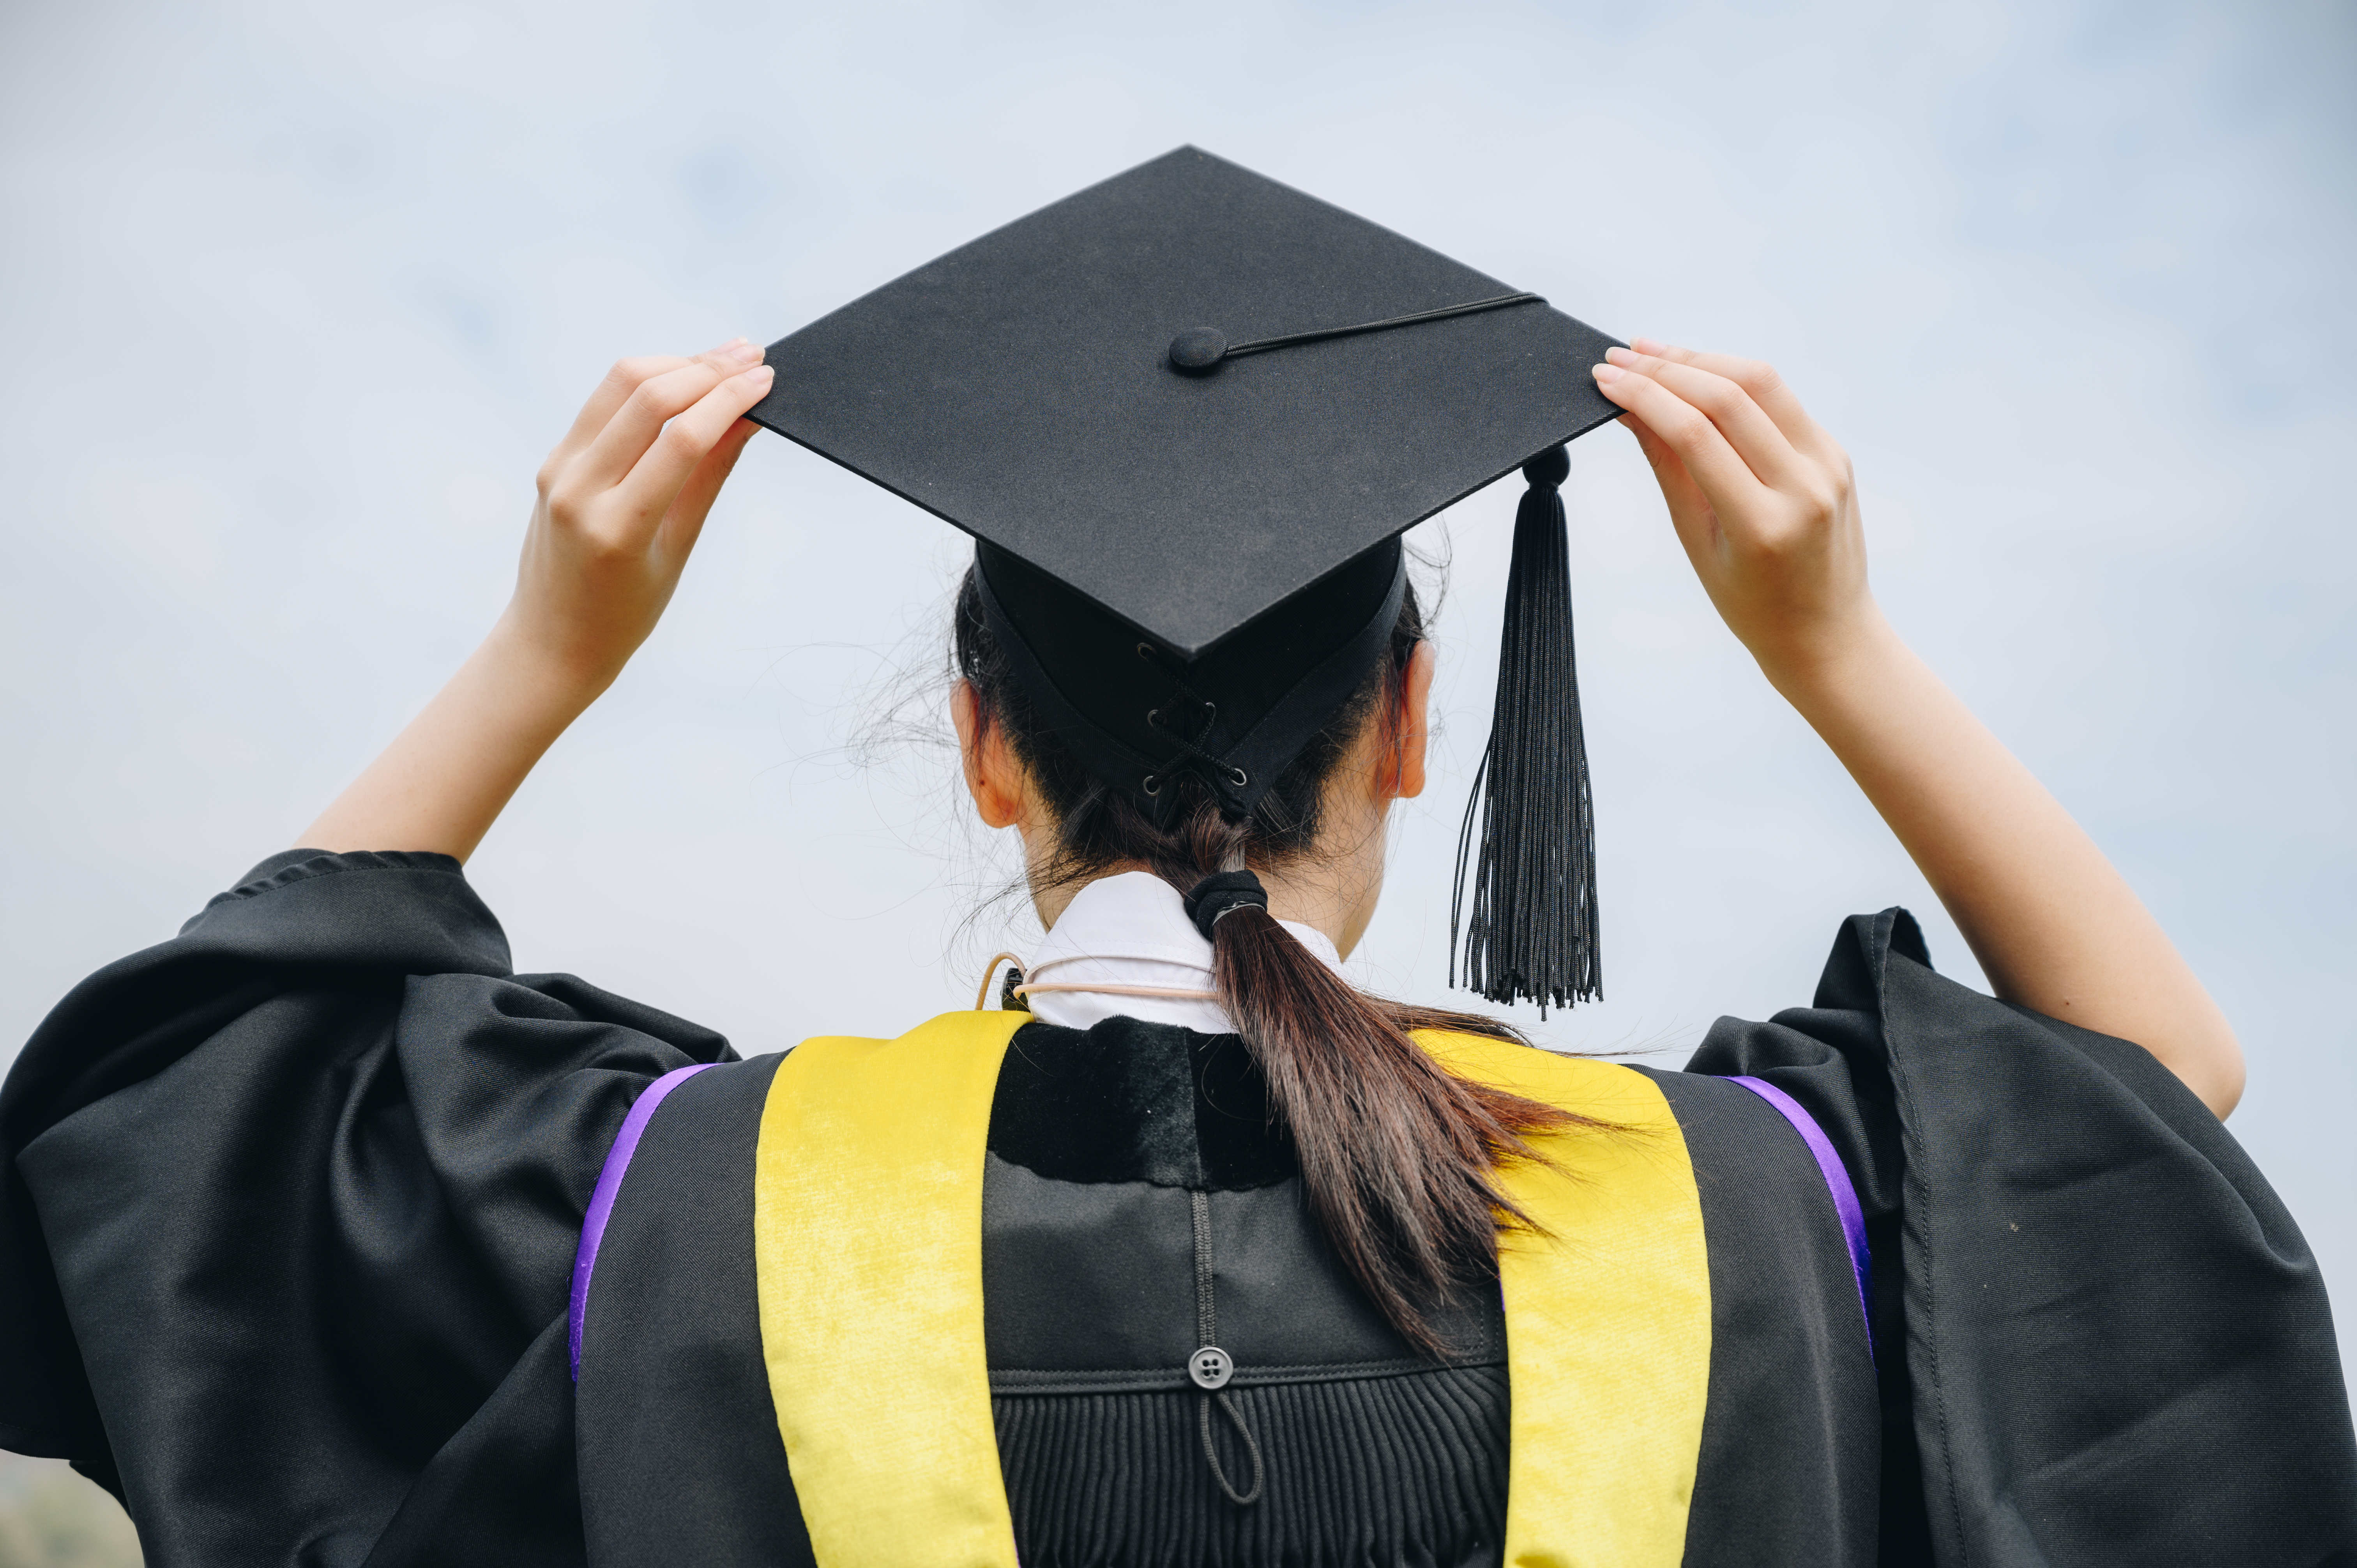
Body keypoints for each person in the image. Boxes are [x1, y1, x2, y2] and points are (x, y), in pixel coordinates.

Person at [1, 149, 2350, 1568]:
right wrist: (1837, 646)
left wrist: (541, 648)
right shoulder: (1739, 1212)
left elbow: (182, 1100)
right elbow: (2153, 1103)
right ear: (1422, 726)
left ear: (986, 745)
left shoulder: (674, 1205)